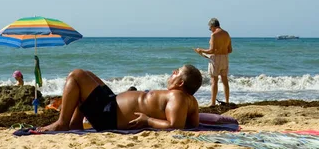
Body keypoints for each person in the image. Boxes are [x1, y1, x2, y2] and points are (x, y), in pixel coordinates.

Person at [38, 64, 202, 132]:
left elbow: (175, 125)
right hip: (111, 105)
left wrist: (148, 121)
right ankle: (74, 123)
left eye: (176, 72)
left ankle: (62, 123)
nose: (173, 72)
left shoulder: (177, 96)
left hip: (109, 114)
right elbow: (193, 124)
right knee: (88, 75)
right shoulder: (189, 101)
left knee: (76, 75)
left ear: (180, 83)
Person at [195, 18, 232, 106]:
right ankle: (227, 101)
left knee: (214, 81)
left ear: (212, 26)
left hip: (216, 59)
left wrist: (201, 50)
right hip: (225, 58)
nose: (210, 30)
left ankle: (212, 103)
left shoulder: (214, 35)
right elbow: (230, 50)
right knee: (225, 80)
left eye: (210, 28)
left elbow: (211, 50)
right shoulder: (227, 34)